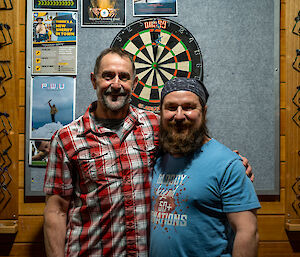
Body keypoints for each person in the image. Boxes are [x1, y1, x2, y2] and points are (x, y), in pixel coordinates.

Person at [43, 48, 253, 257]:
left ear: (134, 84)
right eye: (108, 76)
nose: (116, 84)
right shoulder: (66, 138)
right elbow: (56, 211)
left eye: (124, 77)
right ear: (94, 80)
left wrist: (235, 163)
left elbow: (193, 141)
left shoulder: (154, 125)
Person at [150, 77, 260, 257]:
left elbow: (248, 232)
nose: (178, 115)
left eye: (188, 107)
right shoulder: (157, 158)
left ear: (204, 111)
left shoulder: (228, 164)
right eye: (171, 108)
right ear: (161, 113)